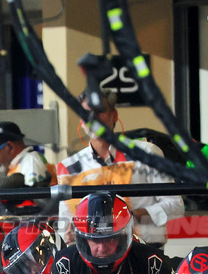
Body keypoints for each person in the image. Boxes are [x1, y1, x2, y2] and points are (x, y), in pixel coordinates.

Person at [56, 92, 183, 247]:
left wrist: (132, 215)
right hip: (93, 255)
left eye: (100, 111)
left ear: (114, 115)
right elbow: (65, 226)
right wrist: (70, 231)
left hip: (144, 250)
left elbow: (176, 205)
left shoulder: (147, 153)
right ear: (81, 121)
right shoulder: (68, 167)